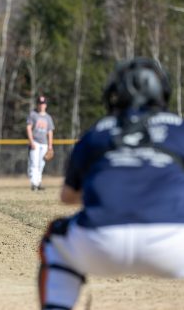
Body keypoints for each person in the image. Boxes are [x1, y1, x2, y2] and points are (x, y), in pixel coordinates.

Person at [38, 57, 184, 309]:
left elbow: (67, 197)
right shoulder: (179, 128)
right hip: (172, 244)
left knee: (55, 238)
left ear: (116, 93)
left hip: (99, 241)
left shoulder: (99, 131)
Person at [27, 95, 55, 191]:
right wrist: (31, 141)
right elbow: (29, 128)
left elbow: (50, 132)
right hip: (35, 142)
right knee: (34, 164)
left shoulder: (48, 117)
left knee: (41, 164)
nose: (41, 105)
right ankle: (33, 183)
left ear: (45, 105)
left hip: (44, 144)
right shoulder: (33, 114)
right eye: (40, 103)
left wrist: (50, 146)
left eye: (43, 104)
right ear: (37, 104)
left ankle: (38, 183)